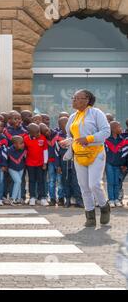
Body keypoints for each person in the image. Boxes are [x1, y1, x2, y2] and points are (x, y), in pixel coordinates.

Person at [61, 89, 111, 227]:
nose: (73, 100)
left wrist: (88, 139)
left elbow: (106, 131)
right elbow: (70, 135)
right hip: (78, 155)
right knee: (84, 187)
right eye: (73, 98)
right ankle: (90, 216)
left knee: (94, 184)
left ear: (86, 99)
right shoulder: (73, 117)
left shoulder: (96, 113)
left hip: (96, 153)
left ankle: (104, 206)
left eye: (77, 98)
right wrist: (67, 141)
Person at [55, 117, 82, 208]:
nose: (66, 126)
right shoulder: (58, 137)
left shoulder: (76, 136)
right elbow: (57, 153)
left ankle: (78, 200)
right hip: (64, 164)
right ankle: (67, 200)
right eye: (63, 124)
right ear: (59, 125)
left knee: (76, 181)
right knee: (65, 181)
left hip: (76, 163)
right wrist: (58, 165)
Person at [24, 123, 48, 206]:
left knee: (41, 181)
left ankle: (42, 198)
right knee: (31, 181)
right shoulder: (26, 139)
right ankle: (32, 197)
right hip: (30, 164)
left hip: (40, 164)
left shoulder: (43, 138)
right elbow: (25, 151)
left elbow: (45, 151)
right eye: (37, 133)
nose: (39, 134)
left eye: (39, 132)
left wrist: (45, 162)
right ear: (30, 133)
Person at [104, 121, 126, 208]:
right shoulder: (106, 140)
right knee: (110, 182)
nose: (121, 129)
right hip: (109, 164)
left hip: (119, 165)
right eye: (119, 127)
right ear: (113, 129)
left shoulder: (122, 140)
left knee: (117, 182)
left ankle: (116, 199)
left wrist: (123, 164)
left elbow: (124, 153)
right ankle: (111, 199)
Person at [40, 123, 62, 206]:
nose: (47, 133)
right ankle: (52, 198)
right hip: (50, 162)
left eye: (47, 130)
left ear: (48, 127)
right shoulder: (44, 139)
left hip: (58, 161)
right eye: (44, 132)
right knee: (51, 180)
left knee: (60, 180)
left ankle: (61, 198)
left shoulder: (57, 135)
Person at [7, 136, 26, 205]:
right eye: (20, 143)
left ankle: (18, 198)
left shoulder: (24, 149)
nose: (22, 144)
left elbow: (24, 158)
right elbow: (6, 160)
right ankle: (12, 198)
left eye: (23, 143)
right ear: (15, 144)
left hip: (21, 168)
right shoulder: (9, 150)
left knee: (19, 183)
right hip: (12, 168)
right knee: (18, 181)